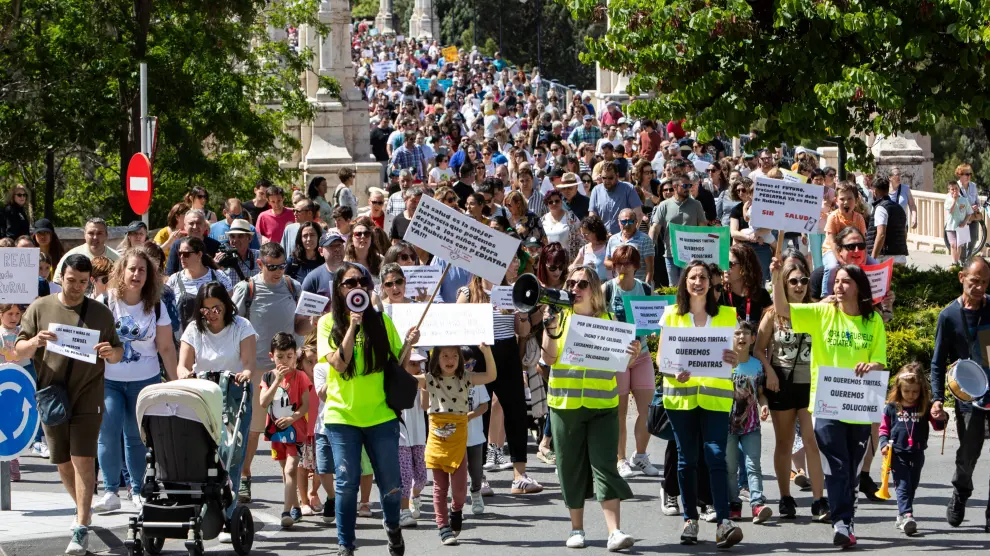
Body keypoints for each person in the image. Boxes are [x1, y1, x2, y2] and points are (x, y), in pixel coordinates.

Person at [770, 258, 886, 548]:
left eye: (846, 281)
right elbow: (782, 311)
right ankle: (842, 522)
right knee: (835, 464)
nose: (839, 285)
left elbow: (881, 362)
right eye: (836, 280)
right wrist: (775, 277)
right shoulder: (822, 312)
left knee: (851, 468)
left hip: (860, 406)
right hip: (828, 404)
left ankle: (847, 505)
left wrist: (872, 366)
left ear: (859, 288)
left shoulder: (873, 320)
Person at [15, 254, 124, 556]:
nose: (76, 287)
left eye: (83, 282)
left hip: (89, 393)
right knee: (63, 461)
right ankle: (83, 508)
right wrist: (36, 341)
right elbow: (18, 350)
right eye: (71, 280)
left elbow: (118, 351)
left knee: (83, 458)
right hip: (52, 395)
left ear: (90, 281)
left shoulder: (100, 313)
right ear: (60, 276)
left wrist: (109, 352)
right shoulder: (40, 307)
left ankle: (81, 524)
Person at [316, 262, 419, 556]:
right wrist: (352, 325)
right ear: (339, 289)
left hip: (381, 416)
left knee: (390, 484)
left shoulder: (383, 322)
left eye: (362, 281)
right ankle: (345, 545)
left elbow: (397, 365)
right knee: (346, 484)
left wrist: (409, 344)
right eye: (349, 283)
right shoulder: (326, 324)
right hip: (342, 416)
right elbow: (338, 363)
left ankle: (392, 527)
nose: (356, 286)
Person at [541, 265, 637, 551]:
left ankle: (614, 532)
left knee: (605, 466)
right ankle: (577, 529)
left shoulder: (610, 320)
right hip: (565, 404)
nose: (575, 288)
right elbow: (549, 358)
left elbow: (623, 364)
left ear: (594, 289)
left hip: (602, 406)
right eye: (571, 283)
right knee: (569, 467)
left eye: (582, 284)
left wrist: (631, 357)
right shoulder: (561, 317)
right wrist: (548, 328)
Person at [656, 260, 743, 548]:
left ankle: (723, 522)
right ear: (684, 283)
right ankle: (690, 519)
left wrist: (736, 358)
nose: (698, 281)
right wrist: (672, 372)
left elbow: (738, 355)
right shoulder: (670, 314)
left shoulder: (728, 316)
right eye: (692, 277)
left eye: (703, 277)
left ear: (710, 283)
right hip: (679, 398)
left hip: (715, 396)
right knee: (687, 458)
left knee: (716, 454)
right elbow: (661, 360)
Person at [91, 248, 177, 515]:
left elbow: (165, 347)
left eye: (142, 270)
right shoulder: (105, 300)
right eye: (132, 269)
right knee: (108, 432)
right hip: (109, 380)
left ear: (149, 274)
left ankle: (137, 490)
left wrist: (175, 383)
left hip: (145, 381)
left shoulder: (158, 304)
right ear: (121, 271)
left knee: (135, 436)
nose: (137, 274)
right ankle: (109, 491)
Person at [456, 255, 543, 495]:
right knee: (478, 416)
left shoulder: (511, 292)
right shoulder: (467, 291)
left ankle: (520, 475)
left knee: (515, 412)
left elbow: (522, 331)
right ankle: (478, 476)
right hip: (477, 354)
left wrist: (524, 312)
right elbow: (456, 321)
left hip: (506, 352)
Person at [231, 242, 308, 503]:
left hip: (288, 370)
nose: (277, 271)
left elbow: (301, 324)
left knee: (288, 429)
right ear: (260, 264)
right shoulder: (247, 289)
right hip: (258, 370)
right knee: (253, 430)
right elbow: (234, 326)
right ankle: (244, 476)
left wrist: (314, 323)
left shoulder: (292, 287)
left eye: (282, 265)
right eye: (272, 266)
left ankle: (293, 492)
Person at [754, 255, 827, 521]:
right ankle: (785, 497)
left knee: (812, 442)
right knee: (784, 442)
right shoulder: (772, 314)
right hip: (781, 383)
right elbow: (758, 349)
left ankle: (820, 499)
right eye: (793, 281)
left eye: (804, 280)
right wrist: (769, 370)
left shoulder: (817, 309)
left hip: (810, 384)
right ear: (784, 284)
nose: (799, 285)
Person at [929, 256, 990, 533]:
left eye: (985, 282)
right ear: (961, 277)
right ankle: (960, 492)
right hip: (968, 397)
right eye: (974, 281)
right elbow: (937, 361)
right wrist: (937, 398)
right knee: (968, 455)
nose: (979, 288)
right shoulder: (949, 315)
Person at [415, 344, 497, 545]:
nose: (450, 359)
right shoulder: (429, 379)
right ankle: (443, 526)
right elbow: (401, 376)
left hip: (459, 437)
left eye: (454, 355)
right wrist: (409, 344)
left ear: (460, 359)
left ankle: (456, 510)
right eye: (444, 355)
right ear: (436, 358)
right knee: (439, 487)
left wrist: (486, 351)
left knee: (459, 489)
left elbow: (491, 376)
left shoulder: (466, 378)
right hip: (436, 436)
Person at [602, 246, 660, 479]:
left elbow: (658, 318)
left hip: (642, 354)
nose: (622, 268)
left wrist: (656, 329)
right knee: (620, 411)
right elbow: (598, 318)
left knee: (648, 410)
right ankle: (620, 459)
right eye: (618, 264)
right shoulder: (607, 289)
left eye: (627, 263)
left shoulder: (645, 289)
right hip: (617, 358)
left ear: (636, 266)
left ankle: (641, 455)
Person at [879, 363, 944, 536]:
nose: (911, 395)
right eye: (906, 391)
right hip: (897, 453)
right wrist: (883, 443)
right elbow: (884, 428)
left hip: (917, 452)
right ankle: (908, 515)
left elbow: (938, 426)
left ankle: (902, 514)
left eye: (915, 391)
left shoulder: (925, 406)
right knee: (903, 485)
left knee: (912, 486)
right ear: (899, 389)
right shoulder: (892, 407)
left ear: (921, 390)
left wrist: (942, 417)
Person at [258, 333, 312, 528]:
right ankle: (295, 505)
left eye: (289, 356)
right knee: (285, 470)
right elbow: (263, 402)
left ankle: (286, 511)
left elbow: (305, 405)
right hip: (276, 433)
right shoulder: (267, 376)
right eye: (280, 356)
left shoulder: (301, 376)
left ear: (295, 356)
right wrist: (276, 380)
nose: (285, 361)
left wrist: (292, 417)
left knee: (291, 468)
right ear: (272, 356)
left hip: (296, 431)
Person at [725, 321, 773, 524]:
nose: (741, 337)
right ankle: (733, 504)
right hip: (727, 426)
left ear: (753, 339)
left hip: (751, 425)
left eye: (746, 334)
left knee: (753, 465)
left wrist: (764, 406)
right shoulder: (724, 365)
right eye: (737, 333)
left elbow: (761, 393)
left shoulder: (757, 366)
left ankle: (757, 504)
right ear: (731, 338)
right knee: (730, 467)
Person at [649, 175, 707, 286]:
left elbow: (703, 228)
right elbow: (655, 228)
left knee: (687, 286)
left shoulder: (696, 204)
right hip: (670, 254)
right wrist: (650, 245)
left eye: (689, 185)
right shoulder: (664, 205)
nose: (688, 188)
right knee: (673, 287)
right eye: (685, 185)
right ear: (675, 187)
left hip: (691, 254)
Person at [54, 218, 121, 283]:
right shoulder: (71, 256)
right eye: (91, 233)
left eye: (99, 233)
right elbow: (57, 282)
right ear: (84, 235)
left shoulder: (117, 259)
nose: (95, 237)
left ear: (106, 235)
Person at [719, 244, 771, 327]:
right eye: (723, 262)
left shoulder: (762, 296)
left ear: (745, 267)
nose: (725, 267)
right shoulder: (719, 294)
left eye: (730, 264)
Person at [589, 162, 643, 234]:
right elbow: (592, 216)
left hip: (624, 239)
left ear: (617, 176)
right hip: (603, 238)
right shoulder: (596, 190)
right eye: (604, 178)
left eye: (610, 178)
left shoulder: (628, 188)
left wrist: (631, 235)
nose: (607, 181)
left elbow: (638, 214)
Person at [605, 208, 655, 285]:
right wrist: (620, 265)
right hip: (618, 284)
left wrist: (646, 286)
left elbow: (650, 268)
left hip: (638, 286)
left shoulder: (645, 239)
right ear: (619, 222)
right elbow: (606, 262)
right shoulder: (613, 239)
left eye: (630, 221)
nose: (627, 224)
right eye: (623, 221)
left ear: (636, 222)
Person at [164, 209, 222, 276]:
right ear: (185, 226)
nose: (195, 227)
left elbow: (221, 274)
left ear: (205, 226)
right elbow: (169, 273)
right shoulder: (177, 245)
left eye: (198, 223)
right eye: (191, 223)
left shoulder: (215, 245)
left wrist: (215, 264)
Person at [866, 176, 909, 265]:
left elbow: (881, 234)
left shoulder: (880, 208)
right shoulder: (899, 208)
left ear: (875, 191)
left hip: (884, 257)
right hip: (900, 256)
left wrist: (872, 259)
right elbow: (904, 232)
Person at [302, 231, 347, 301]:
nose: (337, 249)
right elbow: (303, 309)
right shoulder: (313, 279)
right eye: (331, 246)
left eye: (339, 245)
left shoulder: (358, 271)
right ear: (321, 251)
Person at [218, 219, 261, 285]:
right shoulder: (222, 259)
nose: (235, 240)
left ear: (249, 238)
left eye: (240, 236)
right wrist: (215, 266)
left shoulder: (259, 256)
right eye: (232, 236)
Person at [570, 214, 610, 281]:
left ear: (596, 231)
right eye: (583, 234)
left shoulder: (608, 246)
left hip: (604, 285)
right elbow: (574, 266)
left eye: (586, 234)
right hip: (588, 286)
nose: (584, 237)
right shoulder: (584, 249)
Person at [945, 180, 974, 266]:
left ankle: (956, 262)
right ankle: (954, 262)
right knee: (953, 244)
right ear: (949, 190)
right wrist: (954, 200)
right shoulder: (948, 200)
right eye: (952, 189)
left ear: (959, 189)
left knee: (959, 245)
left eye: (956, 189)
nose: (954, 191)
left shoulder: (964, 200)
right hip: (950, 226)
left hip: (962, 226)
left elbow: (969, 212)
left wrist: (965, 222)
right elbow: (950, 210)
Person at [346, 217, 384, 281]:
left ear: (371, 239)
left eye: (366, 234)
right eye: (358, 234)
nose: (363, 236)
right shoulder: (345, 262)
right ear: (351, 240)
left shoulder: (380, 260)